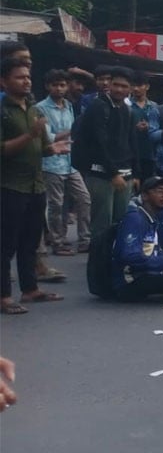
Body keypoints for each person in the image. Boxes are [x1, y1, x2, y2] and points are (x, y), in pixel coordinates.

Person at [2, 57, 69, 314]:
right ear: (4, 81)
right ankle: (4, 296)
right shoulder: (3, 111)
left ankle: (30, 289)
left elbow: (41, 147)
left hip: (35, 185)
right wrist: (29, 135)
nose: (26, 81)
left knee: (30, 243)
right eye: (20, 77)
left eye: (28, 76)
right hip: (10, 186)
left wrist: (54, 149)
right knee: (6, 245)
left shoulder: (33, 109)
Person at [73, 65, 135, 239]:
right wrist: (113, 173)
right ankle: (98, 265)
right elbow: (98, 144)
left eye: (124, 86)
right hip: (102, 174)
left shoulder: (127, 110)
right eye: (116, 84)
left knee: (120, 223)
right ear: (110, 85)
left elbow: (130, 142)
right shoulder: (98, 107)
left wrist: (135, 174)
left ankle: (112, 263)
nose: (119, 89)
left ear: (130, 89)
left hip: (125, 175)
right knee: (101, 225)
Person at [36, 69, 92, 255]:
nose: (59, 89)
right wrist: (70, 132)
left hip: (70, 161)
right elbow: (47, 136)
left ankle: (85, 240)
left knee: (84, 199)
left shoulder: (68, 105)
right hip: (52, 162)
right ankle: (57, 241)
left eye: (62, 85)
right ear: (47, 87)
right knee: (56, 204)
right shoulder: (41, 108)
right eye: (55, 85)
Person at [128, 70, 159, 185]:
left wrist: (149, 127)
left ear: (147, 87)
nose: (136, 89)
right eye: (133, 85)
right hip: (131, 154)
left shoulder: (155, 107)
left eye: (139, 85)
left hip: (150, 154)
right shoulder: (126, 105)